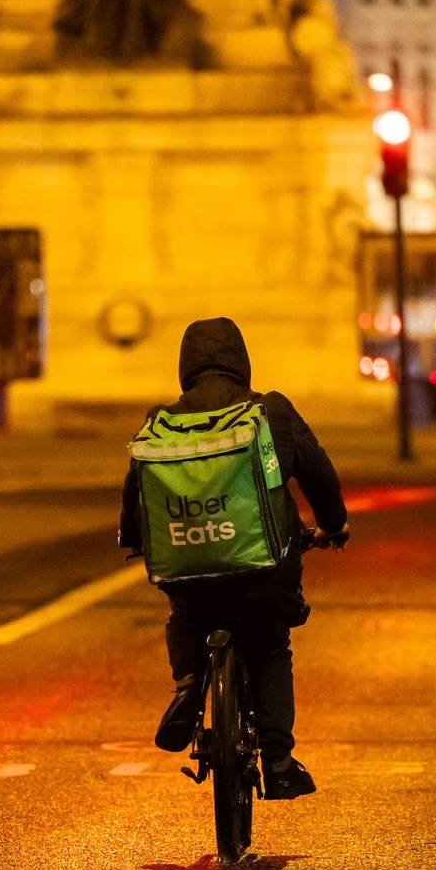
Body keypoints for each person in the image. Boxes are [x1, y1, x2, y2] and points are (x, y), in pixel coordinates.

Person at [118, 318, 349, 800]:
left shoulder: (162, 419)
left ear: (186, 366)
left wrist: (133, 537)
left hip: (190, 569)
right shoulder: (271, 411)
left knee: (184, 614)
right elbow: (318, 473)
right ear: (241, 362)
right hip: (264, 571)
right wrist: (332, 524)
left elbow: (136, 486)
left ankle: (187, 685)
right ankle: (280, 762)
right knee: (269, 647)